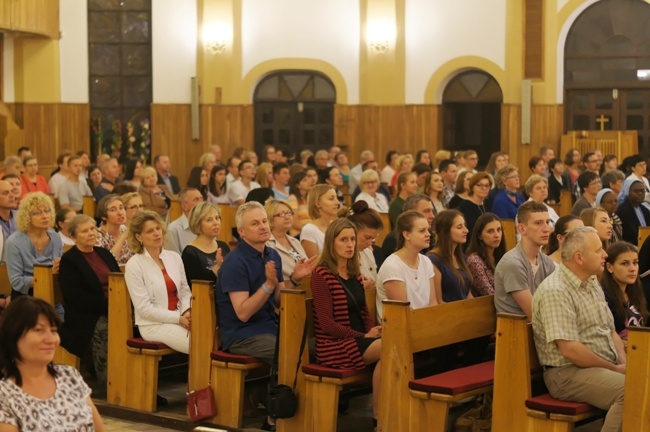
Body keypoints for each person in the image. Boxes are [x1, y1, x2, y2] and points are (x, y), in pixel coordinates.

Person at [532, 227, 626, 432]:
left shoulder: (591, 281)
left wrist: (624, 362)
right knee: (630, 390)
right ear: (579, 258)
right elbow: (570, 350)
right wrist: (616, 370)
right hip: (566, 374)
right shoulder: (556, 290)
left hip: (601, 366)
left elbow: (610, 330)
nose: (605, 254)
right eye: (598, 250)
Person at [215, 201, 284, 431]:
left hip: (268, 326)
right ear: (242, 232)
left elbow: (278, 301)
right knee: (287, 354)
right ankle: (275, 417)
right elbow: (243, 313)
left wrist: (293, 281)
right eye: (255, 223)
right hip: (241, 335)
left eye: (265, 221)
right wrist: (268, 284)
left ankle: (293, 409)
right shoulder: (235, 262)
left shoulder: (272, 254)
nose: (263, 226)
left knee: (308, 347)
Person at [311, 218, 382, 425]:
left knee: (394, 346)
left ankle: (382, 416)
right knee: (393, 347)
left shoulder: (354, 273)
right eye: (343, 240)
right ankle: (380, 417)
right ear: (331, 243)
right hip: (335, 345)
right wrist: (364, 336)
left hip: (360, 340)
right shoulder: (321, 274)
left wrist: (373, 329)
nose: (350, 244)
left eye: (352, 239)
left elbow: (363, 312)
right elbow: (326, 324)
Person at [0, 296, 105, 431]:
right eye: (39, 330)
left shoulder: (69, 376)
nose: (51, 339)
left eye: (54, 330)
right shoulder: (5, 395)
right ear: (13, 335)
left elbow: (99, 429)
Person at [58, 215, 120, 385]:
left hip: (116, 306)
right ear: (73, 237)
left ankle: (132, 377)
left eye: (92, 229)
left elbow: (119, 280)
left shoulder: (104, 253)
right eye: (85, 231)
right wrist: (109, 306)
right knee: (106, 328)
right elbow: (75, 296)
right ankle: (111, 381)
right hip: (87, 315)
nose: (91, 233)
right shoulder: (70, 260)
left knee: (137, 325)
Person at [125, 211, 192, 354]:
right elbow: (144, 309)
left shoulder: (174, 257)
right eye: (150, 231)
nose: (157, 233)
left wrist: (187, 311)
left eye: (158, 229)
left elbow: (185, 290)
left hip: (181, 317)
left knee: (214, 337)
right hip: (154, 325)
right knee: (198, 343)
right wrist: (178, 318)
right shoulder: (134, 264)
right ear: (138, 237)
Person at [494, 201, 555, 319]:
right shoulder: (512, 263)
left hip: (540, 328)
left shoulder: (547, 261)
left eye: (547, 222)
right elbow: (535, 314)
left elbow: (554, 300)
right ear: (522, 229)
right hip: (517, 332)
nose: (546, 229)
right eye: (538, 223)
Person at [376, 210, 436, 320]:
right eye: (422, 231)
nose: (428, 234)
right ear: (407, 235)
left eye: (428, 230)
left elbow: (433, 303)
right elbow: (402, 313)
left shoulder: (426, 261)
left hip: (424, 324)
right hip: (400, 329)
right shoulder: (393, 266)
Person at [5, 192, 63, 300]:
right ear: (26, 217)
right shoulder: (14, 242)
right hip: (25, 298)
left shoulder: (55, 237)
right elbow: (17, 282)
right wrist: (47, 275)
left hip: (53, 293)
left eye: (47, 211)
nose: (45, 216)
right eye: (37, 213)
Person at [601, 241, 649, 342]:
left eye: (635, 263)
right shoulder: (604, 296)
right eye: (625, 263)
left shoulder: (636, 292)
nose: (632, 269)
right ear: (610, 267)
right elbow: (605, 337)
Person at [265, 199, 316, 289]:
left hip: (306, 287)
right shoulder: (266, 244)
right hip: (284, 291)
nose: (287, 217)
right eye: (281, 214)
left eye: (289, 213)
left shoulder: (295, 241)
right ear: (269, 218)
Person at [427, 210, 473, 303]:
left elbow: (468, 295)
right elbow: (438, 301)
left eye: (464, 226)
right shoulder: (432, 260)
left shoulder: (461, 257)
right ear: (446, 231)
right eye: (459, 227)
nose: (466, 230)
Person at [181, 202, 231, 288]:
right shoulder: (190, 253)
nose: (216, 223)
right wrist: (217, 267)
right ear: (197, 224)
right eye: (209, 220)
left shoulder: (223, 246)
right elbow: (197, 288)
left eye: (217, 218)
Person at [343, 201, 384, 299]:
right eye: (367, 237)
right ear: (353, 230)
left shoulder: (368, 252)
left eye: (373, 239)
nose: (370, 243)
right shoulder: (341, 256)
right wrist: (359, 287)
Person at [466, 213, 506, 296]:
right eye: (490, 231)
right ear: (480, 236)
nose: (496, 235)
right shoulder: (474, 260)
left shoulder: (503, 257)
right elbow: (488, 293)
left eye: (499, 230)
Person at [301, 184, 338, 258]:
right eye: (331, 199)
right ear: (318, 203)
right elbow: (314, 265)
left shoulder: (335, 225)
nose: (337, 202)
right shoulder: (309, 230)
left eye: (336, 198)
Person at [95, 194, 133, 266]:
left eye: (121, 208)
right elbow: (108, 263)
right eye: (113, 210)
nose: (120, 213)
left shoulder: (125, 229)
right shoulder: (98, 236)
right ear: (103, 216)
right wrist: (122, 238)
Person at [165, 188, 204, 255]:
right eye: (196, 199)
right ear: (185, 206)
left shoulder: (207, 225)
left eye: (201, 198)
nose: (202, 203)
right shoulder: (173, 230)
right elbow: (173, 260)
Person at [457, 172, 492, 241]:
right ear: (472, 187)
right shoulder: (466, 206)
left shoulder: (487, 204)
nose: (484, 188)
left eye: (487, 185)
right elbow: (471, 231)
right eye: (479, 185)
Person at [617, 179, 650, 245]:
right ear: (627, 192)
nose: (640, 193)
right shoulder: (623, 210)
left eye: (642, 191)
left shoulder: (645, 207)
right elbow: (630, 234)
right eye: (636, 191)